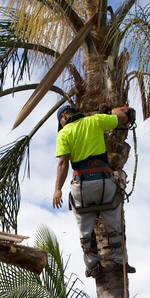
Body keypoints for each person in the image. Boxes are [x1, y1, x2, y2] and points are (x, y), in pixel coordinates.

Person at [53, 104, 135, 278]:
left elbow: (63, 163)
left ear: (64, 117)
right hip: (103, 182)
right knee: (113, 221)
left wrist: (57, 190)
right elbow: (125, 116)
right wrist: (115, 111)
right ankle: (119, 260)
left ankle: (93, 265)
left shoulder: (64, 133)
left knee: (85, 230)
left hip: (82, 185)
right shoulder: (95, 120)